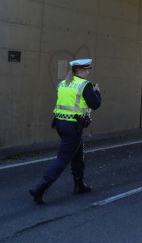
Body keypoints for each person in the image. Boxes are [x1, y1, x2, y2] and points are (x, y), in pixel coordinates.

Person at [29, 58, 102, 204]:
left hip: (60, 123)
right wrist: (97, 93)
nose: (88, 72)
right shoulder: (85, 85)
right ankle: (41, 188)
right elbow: (95, 104)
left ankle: (79, 185)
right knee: (63, 158)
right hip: (73, 126)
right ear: (81, 70)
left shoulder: (63, 83)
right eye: (87, 70)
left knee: (77, 153)